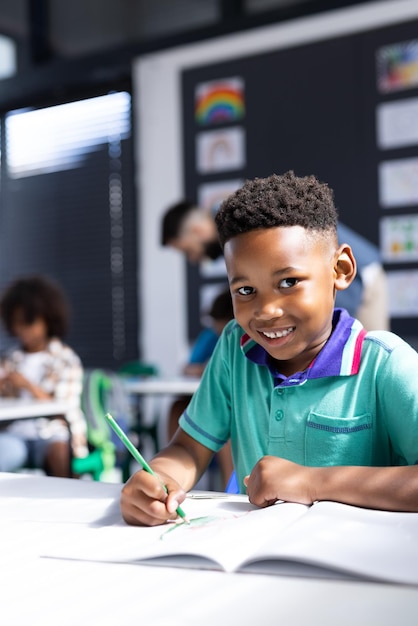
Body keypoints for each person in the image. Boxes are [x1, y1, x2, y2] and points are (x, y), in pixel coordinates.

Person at [121, 170, 418, 526]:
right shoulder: (235, 347)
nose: (266, 311)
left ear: (340, 269)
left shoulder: (385, 364)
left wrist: (311, 482)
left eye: (289, 282)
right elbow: (188, 447)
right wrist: (160, 479)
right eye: (245, 290)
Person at [161, 196, 389, 331]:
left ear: (197, 231)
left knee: (364, 358)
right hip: (331, 273)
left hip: (359, 276)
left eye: (188, 250)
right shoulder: (233, 228)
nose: (192, 259)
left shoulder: (239, 220)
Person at [0, 275, 88, 477]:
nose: (21, 329)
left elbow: (64, 407)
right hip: (14, 434)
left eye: (28, 322)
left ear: (47, 319)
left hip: (49, 432)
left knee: (59, 450)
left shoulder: (65, 359)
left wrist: (28, 386)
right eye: (16, 323)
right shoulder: (9, 359)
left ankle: (65, 498)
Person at [166, 289, 234, 489]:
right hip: (205, 397)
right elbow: (188, 366)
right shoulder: (213, 336)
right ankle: (175, 477)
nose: (218, 330)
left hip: (232, 404)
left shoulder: (242, 335)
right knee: (178, 407)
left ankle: (229, 486)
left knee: (228, 425)